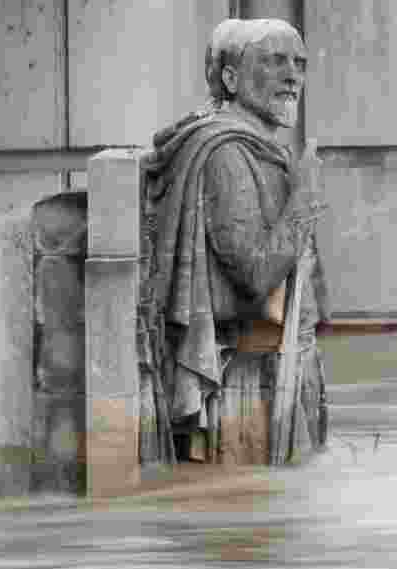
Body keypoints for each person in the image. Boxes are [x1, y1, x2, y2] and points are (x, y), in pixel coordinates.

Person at [138, 18, 331, 466]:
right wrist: (304, 197)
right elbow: (254, 272)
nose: (293, 76)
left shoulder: (261, 148)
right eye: (275, 61)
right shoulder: (227, 153)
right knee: (257, 526)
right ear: (230, 78)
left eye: (299, 64)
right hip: (247, 385)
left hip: (275, 369)